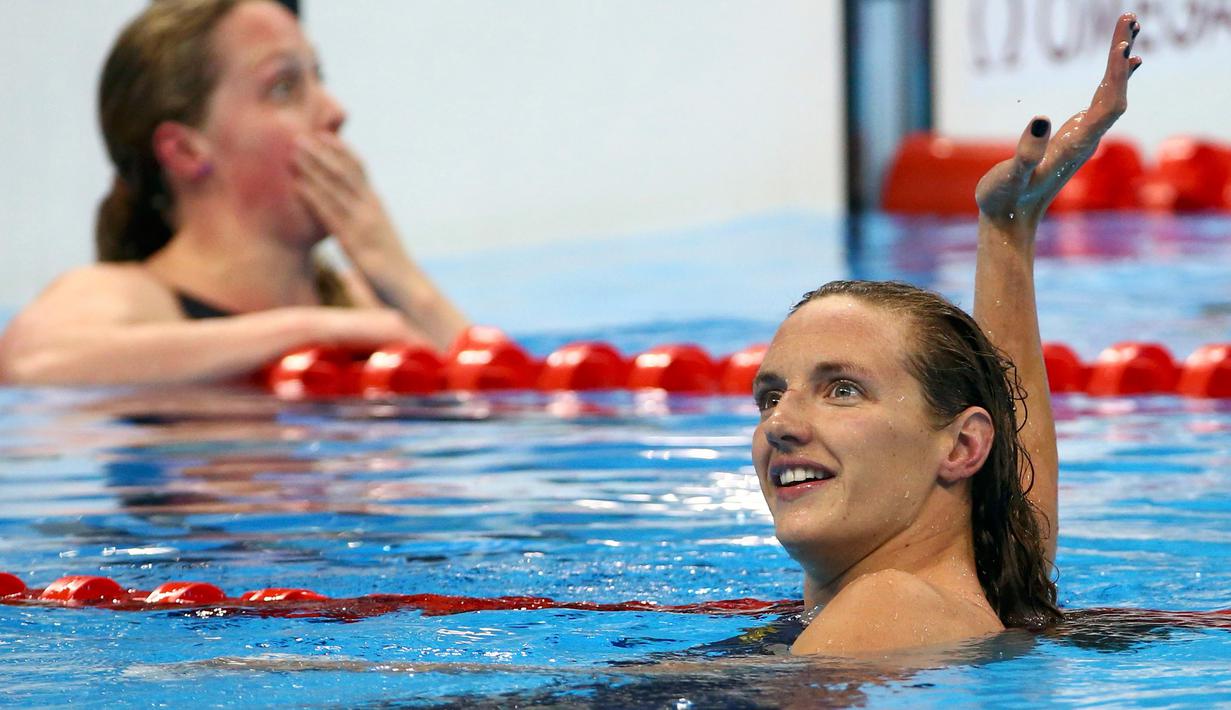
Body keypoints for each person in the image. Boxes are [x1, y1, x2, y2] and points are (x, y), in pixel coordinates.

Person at [753, 13, 1142, 656]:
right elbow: (1011, 510)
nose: (780, 425)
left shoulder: (887, 605)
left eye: (843, 390)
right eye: (770, 395)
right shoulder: (986, 599)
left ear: (962, 447)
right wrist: (1007, 231)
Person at [0, 0, 467, 385]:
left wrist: (403, 280)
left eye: (318, 77)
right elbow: (29, 366)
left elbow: (518, 403)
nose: (334, 111)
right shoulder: (135, 297)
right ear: (184, 150)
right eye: (283, 87)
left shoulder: (363, 303)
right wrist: (313, 331)